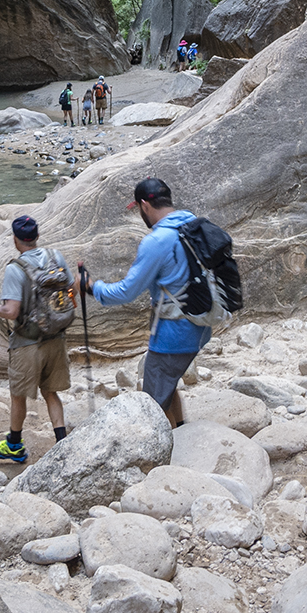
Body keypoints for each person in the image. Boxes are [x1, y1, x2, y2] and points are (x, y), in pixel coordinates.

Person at [81, 177, 211, 428]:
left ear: (144, 205)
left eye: (139, 210)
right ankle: (181, 430)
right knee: (168, 382)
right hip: (201, 323)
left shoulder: (157, 241)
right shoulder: (192, 222)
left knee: (152, 403)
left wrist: (90, 287)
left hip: (174, 334)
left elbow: (126, 292)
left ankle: (166, 455)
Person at [0, 215, 76, 462]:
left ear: (15, 240)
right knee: (51, 392)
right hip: (56, 336)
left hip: (27, 343)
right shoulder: (56, 257)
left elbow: (11, 311)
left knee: (18, 395)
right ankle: (62, 445)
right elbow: (69, 291)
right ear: (37, 237)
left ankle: (14, 445)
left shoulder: (16, 268)